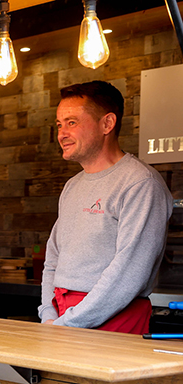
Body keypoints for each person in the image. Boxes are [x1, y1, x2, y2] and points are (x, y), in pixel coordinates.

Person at [39, 81, 173, 334]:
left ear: (107, 124)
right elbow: (53, 258)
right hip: (63, 317)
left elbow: (129, 274)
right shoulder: (72, 186)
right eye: (59, 124)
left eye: (72, 122)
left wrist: (67, 323)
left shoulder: (140, 184)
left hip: (113, 319)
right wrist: (48, 312)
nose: (61, 134)